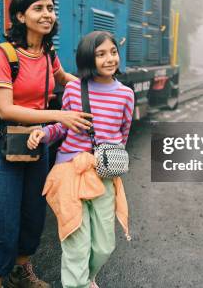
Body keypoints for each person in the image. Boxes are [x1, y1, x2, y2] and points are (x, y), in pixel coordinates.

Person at [0, 0, 93, 288]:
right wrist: (59, 115)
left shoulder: (47, 53)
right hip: (2, 138)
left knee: (33, 212)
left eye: (50, 8)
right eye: (38, 8)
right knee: (2, 217)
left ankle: (20, 272)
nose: (47, 15)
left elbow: (64, 79)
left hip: (37, 137)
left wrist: (96, 88)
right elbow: (4, 109)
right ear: (20, 16)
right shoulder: (4, 54)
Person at [27, 31, 134, 288]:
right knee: (76, 244)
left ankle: (86, 280)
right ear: (88, 58)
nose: (110, 59)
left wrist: (107, 158)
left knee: (104, 245)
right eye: (101, 54)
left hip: (102, 174)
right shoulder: (75, 88)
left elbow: (123, 135)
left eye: (113, 52)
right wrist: (43, 133)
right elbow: (62, 126)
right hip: (69, 173)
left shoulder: (126, 95)